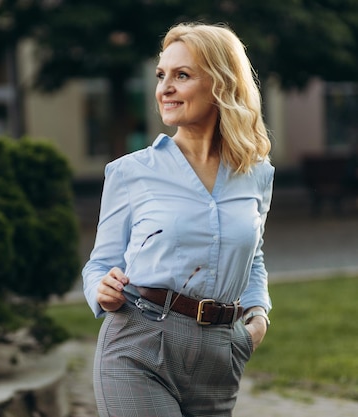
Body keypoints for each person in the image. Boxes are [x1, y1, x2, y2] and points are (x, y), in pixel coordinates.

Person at [82, 22, 274, 417]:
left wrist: (257, 319)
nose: (163, 88)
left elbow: (252, 256)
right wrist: (100, 291)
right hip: (139, 344)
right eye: (161, 76)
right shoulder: (129, 172)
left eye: (181, 76)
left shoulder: (257, 173)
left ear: (220, 84)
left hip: (221, 357)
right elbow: (100, 264)